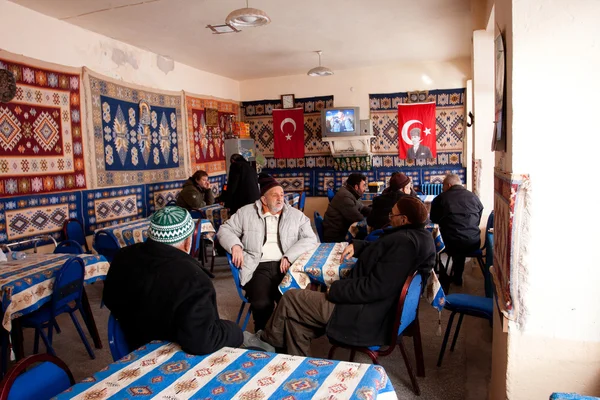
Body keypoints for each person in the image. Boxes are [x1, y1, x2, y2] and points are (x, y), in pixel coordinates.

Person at [244, 196, 436, 356]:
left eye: (392, 214)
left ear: (403, 219)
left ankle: (266, 342)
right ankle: (300, 370)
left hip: (364, 313)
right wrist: (359, 246)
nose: (389, 217)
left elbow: (374, 288)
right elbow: (383, 253)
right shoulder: (419, 237)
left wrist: (333, 288)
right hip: (374, 309)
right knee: (295, 325)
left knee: (291, 298)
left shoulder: (403, 244)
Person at [103, 206, 243, 354]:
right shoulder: (193, 279)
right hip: (171, 357)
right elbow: (202, 342)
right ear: (187, 242)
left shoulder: (122, 256)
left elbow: (109, 299)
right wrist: (235, 331)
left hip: (131, 347)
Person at [217, 175, 318, 333]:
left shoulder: (296, 216)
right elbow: (224, 230)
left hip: (285, 266)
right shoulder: (246, 213)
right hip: (257, 265)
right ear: (263, 200)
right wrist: (235, 245)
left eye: (282, 195)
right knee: (261, 303)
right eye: (275, 195)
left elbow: (311, 238)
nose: (280, 199)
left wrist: (289, 256)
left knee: (292, 301)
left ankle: (284, 338)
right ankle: (263, 339)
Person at [430, 174, 484, 286]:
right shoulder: (474, 197)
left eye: (443, 186)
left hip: (450, 243)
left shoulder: (440, 199)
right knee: (459, 243)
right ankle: (456, 275)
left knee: (435, 245)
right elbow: (478, 219)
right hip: (473, 242)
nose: (442, 189)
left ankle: (442, 275)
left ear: (449, 185)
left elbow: (434, 219)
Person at [322, 173, 371, 242]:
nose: (365, 189)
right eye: (363, 186)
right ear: (356, 187)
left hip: (341, 231)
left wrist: (375, 211)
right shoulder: (345, 196)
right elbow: (358, 218)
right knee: (368, 239)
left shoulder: (350, 193)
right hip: (336, 236)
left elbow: (362, 208)